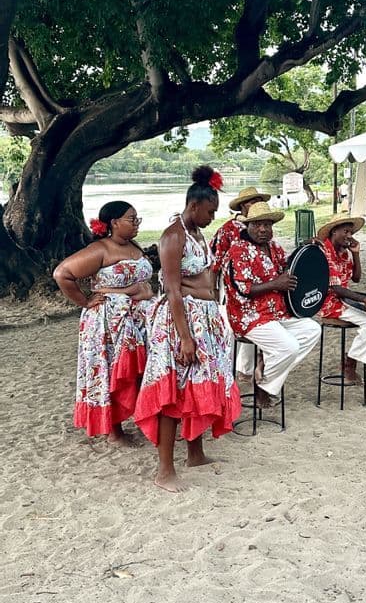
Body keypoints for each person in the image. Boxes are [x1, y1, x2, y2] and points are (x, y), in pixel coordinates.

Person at [134, 166, 241, 492]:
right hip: (182, 320)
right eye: (210, 211)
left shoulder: (197, 233)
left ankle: (196, 453)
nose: (212, 217)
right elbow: (173, 289)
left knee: (197, 386)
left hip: (205, 318)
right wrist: (184, 337)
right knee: (173, 391)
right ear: (194, 205)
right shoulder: (174, 236)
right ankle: (164, 470)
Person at [53, 202, 154, 445]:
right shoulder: (100, 250)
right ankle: (114, 431)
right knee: (110, 370)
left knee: (139, 371)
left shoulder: (135, 246)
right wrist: (85, 301)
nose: (136, 223)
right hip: (108, 324)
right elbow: (62, 274)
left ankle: (143, 418)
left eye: (137, 218)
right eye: (131, 219)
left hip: (136, 323)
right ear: (114, 223)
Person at [223, 201, 321, 409]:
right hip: (249, 315)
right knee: (289, 347)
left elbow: (286, 267)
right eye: (257, 224)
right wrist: (276, 284)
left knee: (312, 329)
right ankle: (264, 386)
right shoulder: (238, 250)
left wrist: (305, 249)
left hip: (277, 312)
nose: (263, 229)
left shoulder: (274, 247)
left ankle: (265, 373)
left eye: (267, 225)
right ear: (247, 226)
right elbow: (244, 288)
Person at [210, 186, 271, 383]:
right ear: (244, 205)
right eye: (253, 202)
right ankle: (227, 371)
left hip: (258, 282)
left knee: (256, 321)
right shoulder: (230, 229)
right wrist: (214, 288)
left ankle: (246, 368)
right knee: (231, 326)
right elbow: (216, 260)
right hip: (233, 282)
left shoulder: (262, 227)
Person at [317, 214, 366, 385]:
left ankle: (351, 359)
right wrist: (364, 299)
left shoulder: (345, 253)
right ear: (334, 232)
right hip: (329, 303)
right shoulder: (324, 251)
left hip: (344, 300)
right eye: (345, 231)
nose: (349, 236)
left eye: (351, 232)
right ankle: (350, 363)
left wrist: (356, 254)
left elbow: (357, 278)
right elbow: (336, 288)